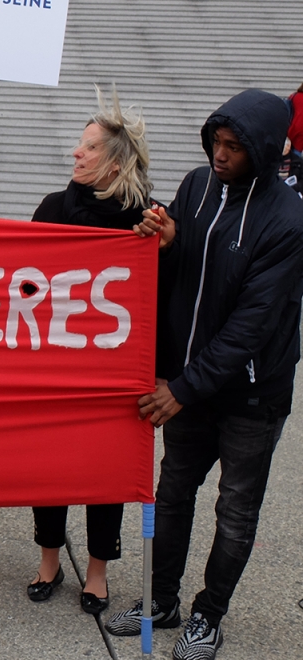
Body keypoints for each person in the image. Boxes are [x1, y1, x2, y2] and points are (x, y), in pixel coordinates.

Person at [105, 89, 303, 660]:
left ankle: (207, 616)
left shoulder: (289, 221)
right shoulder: (196, 186)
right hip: (187, 381)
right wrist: (166, 241)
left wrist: (183, 389)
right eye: (217, 141)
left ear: (262, 153)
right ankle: (160, 600)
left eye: (234, 147)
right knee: (171, 495)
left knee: (235, 512)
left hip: (249, 394)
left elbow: (251, 325)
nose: (220, 153)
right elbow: (189, 270)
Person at [26, 88, 152, 615]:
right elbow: (24, 284)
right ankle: (49, 561)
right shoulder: (54, 208)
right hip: (55, 368)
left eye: (89, 147)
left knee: (104, 470)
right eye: (79, 146)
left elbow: (156, 297)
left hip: (112, 373)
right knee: (50, 466)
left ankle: (97, 572)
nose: (76, 154)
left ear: (116, 161)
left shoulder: (143, 221)